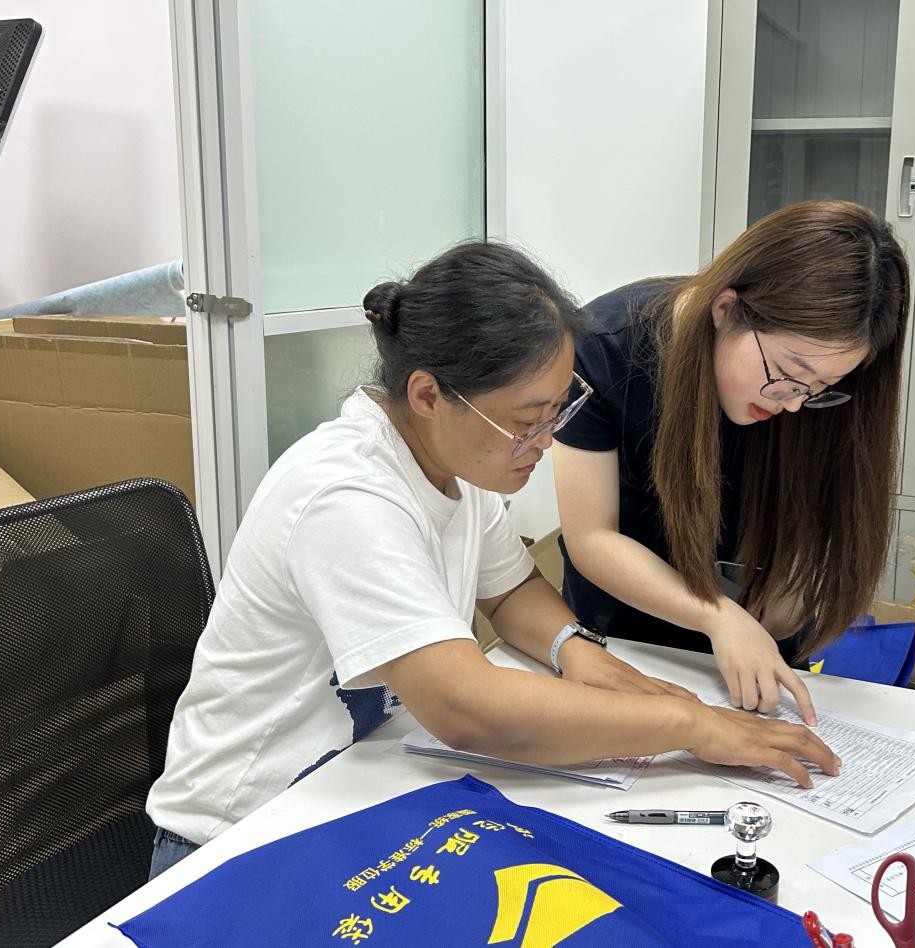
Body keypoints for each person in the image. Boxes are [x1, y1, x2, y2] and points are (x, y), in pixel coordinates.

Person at [145, 243, 840, 879]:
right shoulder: (347, 495)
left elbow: (509, 593)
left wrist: (576, 650)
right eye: (526, 420)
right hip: (238, 839)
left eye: (557, 412)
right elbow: (466, 708)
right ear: (428, 395)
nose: (545, 442)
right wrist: (694, 727)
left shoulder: (452, 462)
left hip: (351, 795)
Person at [553, 200, 910, 722]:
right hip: (626, 645)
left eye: (820, 388)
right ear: (726, 310)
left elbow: (815, 534)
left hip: (755, 655)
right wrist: (718, 616)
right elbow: (592, 537)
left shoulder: (813, 390)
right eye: (788, 372)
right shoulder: (604, 348)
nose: (793, 403)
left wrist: (792, 594)